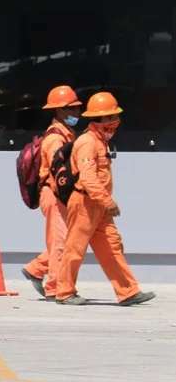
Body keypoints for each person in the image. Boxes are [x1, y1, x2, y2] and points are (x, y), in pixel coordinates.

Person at [53, 92, 155, 306]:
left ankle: (128, 291)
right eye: (108, 118)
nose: (113, 122)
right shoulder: (88, 143)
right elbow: (88, 177)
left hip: (98, 206)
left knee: (111, 246)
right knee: (75, 248)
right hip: (84, 203)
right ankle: (64, 292)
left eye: (114, 117)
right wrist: (107, 201)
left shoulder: (101, 141)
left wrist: (104, 203)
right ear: (96, 120)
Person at [21, 85, 82, 300]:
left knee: (66, 240)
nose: (76, 113)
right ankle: (55, 288)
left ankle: (36, 269)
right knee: (61, 243)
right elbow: (59, 171)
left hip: (60, 194)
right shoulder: (55, 138)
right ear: (58, 111)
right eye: (71, 109)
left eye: (76, 108)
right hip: (55, 194)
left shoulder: (67, 134)